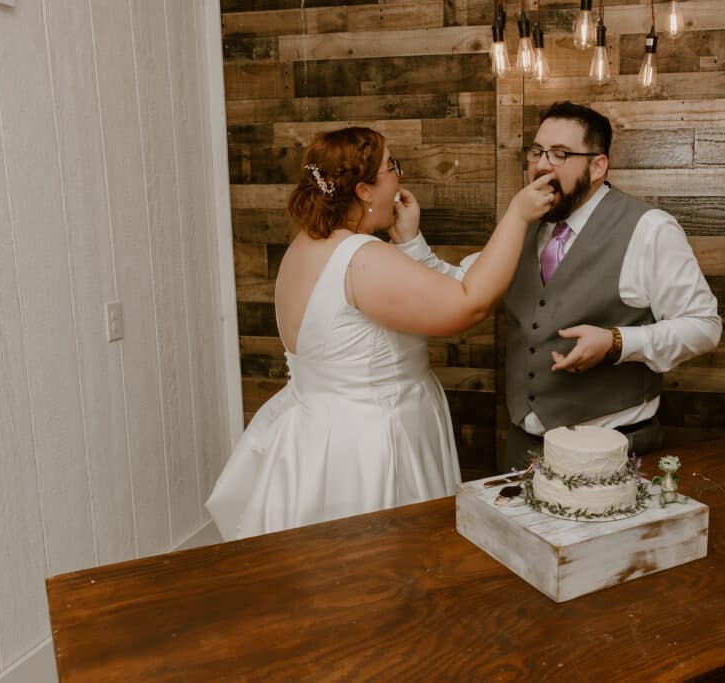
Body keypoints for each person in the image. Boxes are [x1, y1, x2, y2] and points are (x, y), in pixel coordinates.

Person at [207, 127, 556, 540]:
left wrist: (409, 240)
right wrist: (517, 216)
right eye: (392, 167)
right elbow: (468, 303)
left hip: (317, 435)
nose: (399, 178)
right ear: (364, 190)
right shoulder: (362, 258)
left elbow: (426, 287)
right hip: (370, 445)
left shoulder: (306, 245)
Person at [394, 101, 722, 472]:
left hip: (611, 453)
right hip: (521, 451)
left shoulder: (650, 230)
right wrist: (411, 241)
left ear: (597, 166)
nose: (542, 165)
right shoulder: (523, 223)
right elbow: (463, 285)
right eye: (537, 151)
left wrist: (617, 342)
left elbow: (704, 327)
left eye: (561, 154)